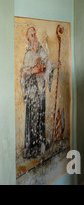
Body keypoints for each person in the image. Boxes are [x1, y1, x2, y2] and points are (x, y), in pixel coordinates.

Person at [20, 26, 60, 159]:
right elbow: (23, 73)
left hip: (41, 89)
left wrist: (55, 65)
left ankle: (41, 143)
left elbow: (47, 64)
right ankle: (31, 147)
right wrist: (32, 71)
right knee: (33, 117)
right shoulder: (28, 54)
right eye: (31, 35)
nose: (34, 36)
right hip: (32, 90)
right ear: (28, 38)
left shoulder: (41, 50)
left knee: (41, 115)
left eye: (34, 33)